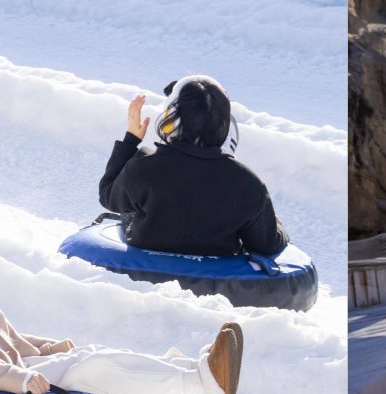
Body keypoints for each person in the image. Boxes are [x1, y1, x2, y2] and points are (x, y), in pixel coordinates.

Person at [0, 168, 243, 394]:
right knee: (87, 370)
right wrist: (20, 377)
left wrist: (45, 349)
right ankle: (200, 380)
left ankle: (195, 367)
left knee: (90, 353)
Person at [98, 75, 288, 257]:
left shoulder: (143, 166)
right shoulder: (248, 183)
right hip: (216, 277)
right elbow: (266, 246)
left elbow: (108, 195)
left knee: (129, 213)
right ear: (226, 125)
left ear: (170, 118)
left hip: (143, 273)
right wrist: (277, 228)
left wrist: (130, 140)